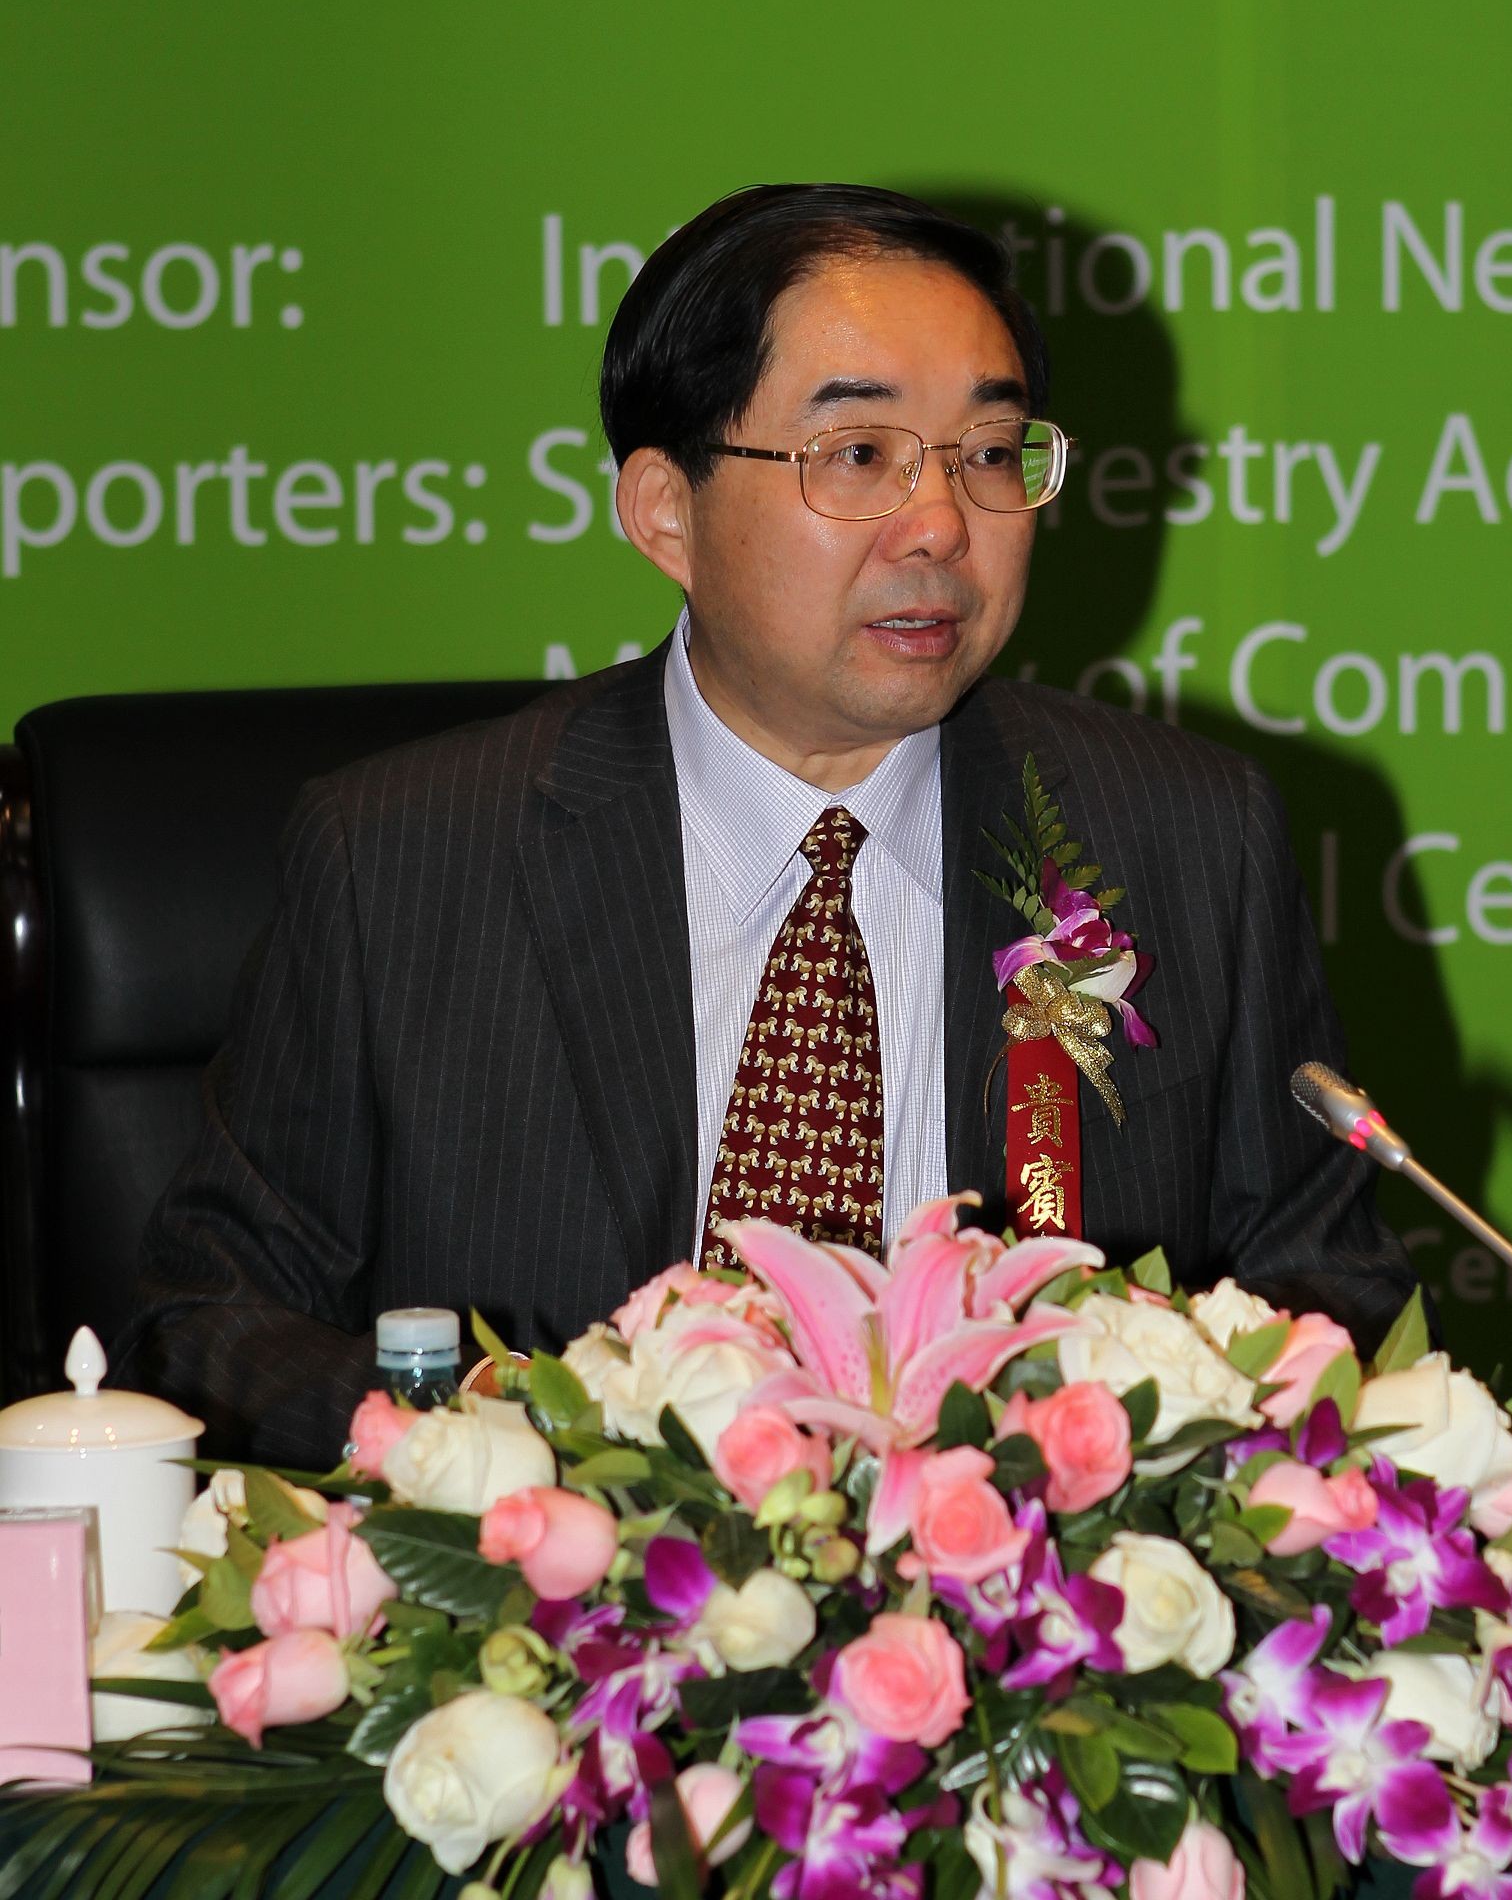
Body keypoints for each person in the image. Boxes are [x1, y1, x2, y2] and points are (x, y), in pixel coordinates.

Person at [124, 184, 1415, 1465]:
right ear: (665, 512)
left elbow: (1329, 1300)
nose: (941, 527)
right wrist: (490, 1456)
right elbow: (207, 1321)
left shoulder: (1189, 839)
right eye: (858, 457)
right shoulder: (402, 859)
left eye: (987, 454)